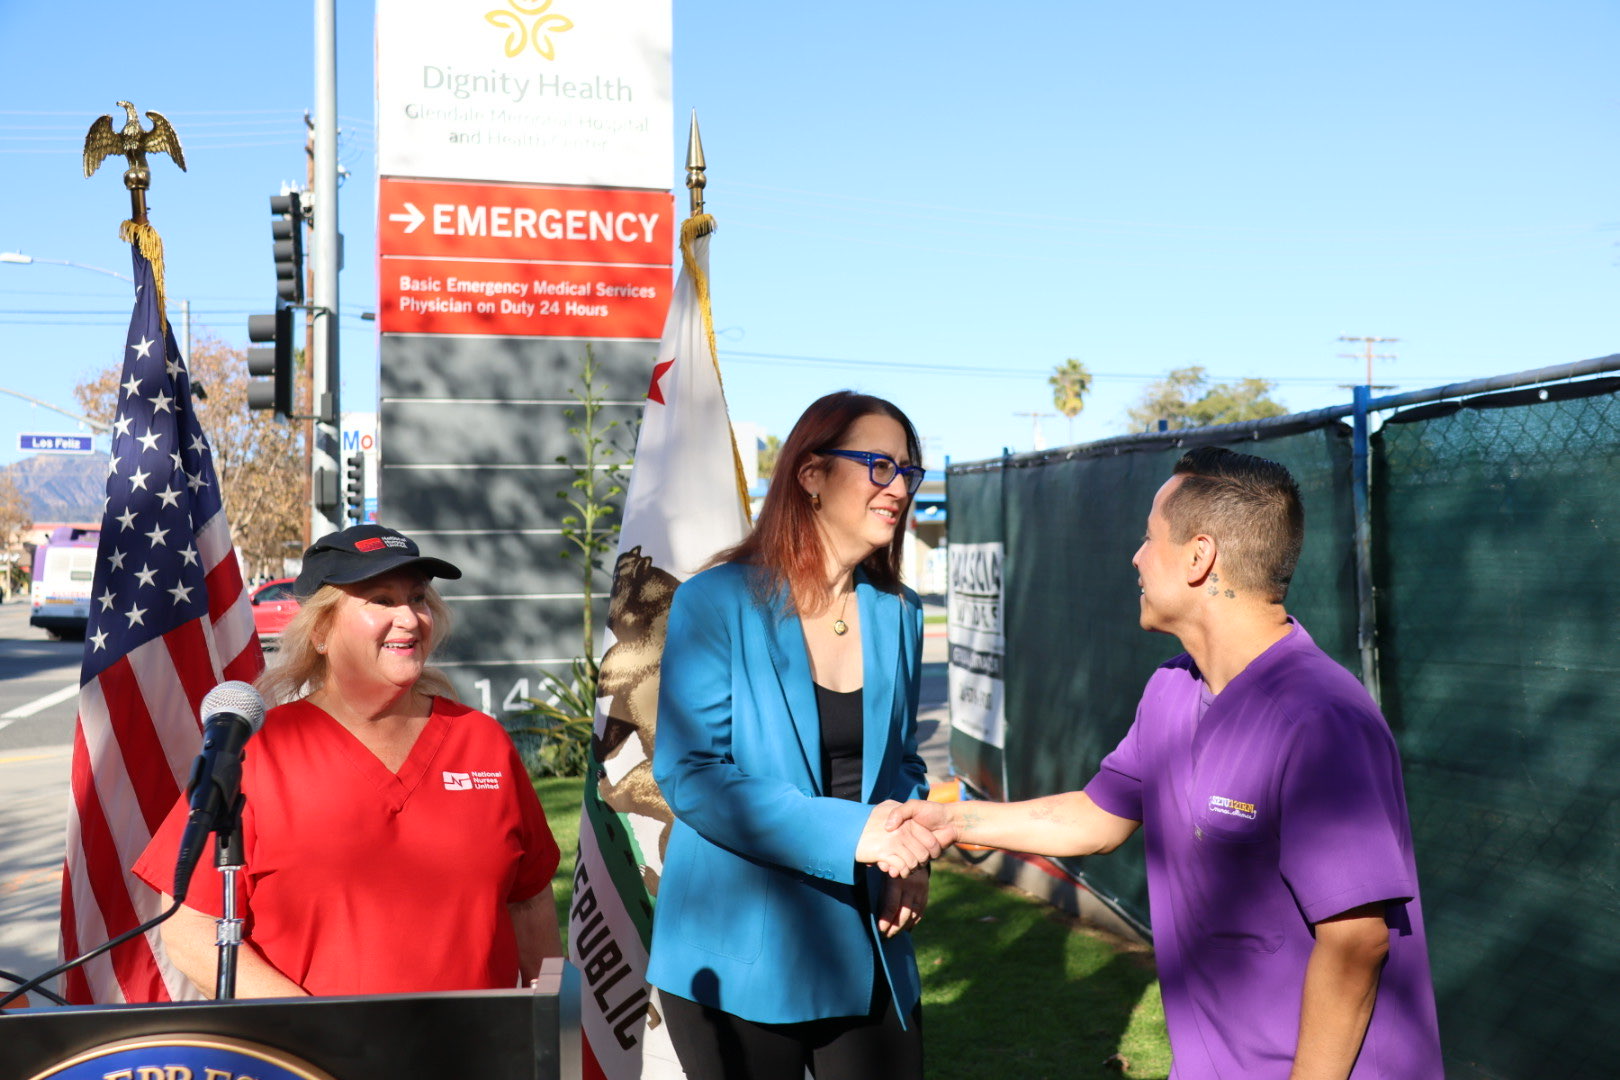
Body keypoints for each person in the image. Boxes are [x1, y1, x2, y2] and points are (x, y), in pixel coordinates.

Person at [890, 447, 1444, 1080]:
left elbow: (1356, 942)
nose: (1136, 557)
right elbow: (1097, 818)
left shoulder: (1321, 719)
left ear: (1198, 556)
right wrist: (954, 823)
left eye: (1148, 537)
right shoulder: (1173, 688)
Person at [646, 390, 943, 1080]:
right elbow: (691, 771)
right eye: (878, 466)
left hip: (868, 944)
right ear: (810, 475)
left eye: (907, 471)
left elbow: (901, 762)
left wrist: (911, 856)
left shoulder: (899, 612)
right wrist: (856, 835)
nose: (898, 487)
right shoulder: (717, 599)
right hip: (738, 949)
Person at [133, 524, 563, 998]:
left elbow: (529, 903)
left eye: (417, 598)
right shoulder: (259, 752)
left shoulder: (483, 743)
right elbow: (190, 931)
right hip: (314, 1063)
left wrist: (555, 1030)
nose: (409, 618)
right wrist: (318, 1038)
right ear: (321, 630)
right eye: (381, 599)